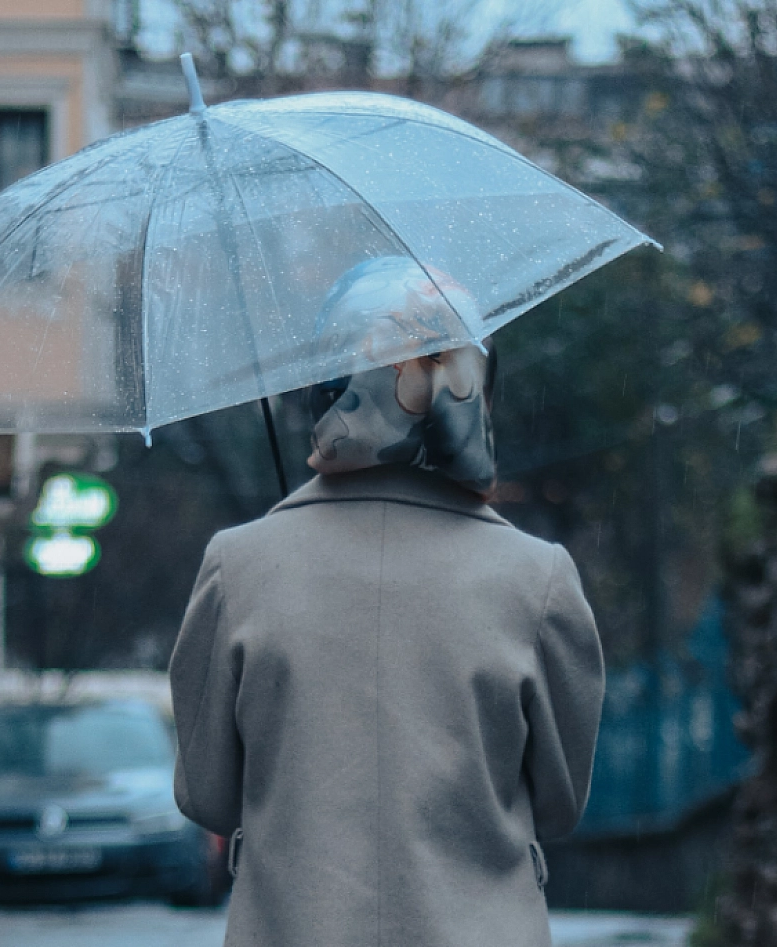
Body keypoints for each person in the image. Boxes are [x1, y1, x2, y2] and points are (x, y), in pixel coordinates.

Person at [168, 257, 604, 947]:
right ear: (472, 385)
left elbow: (209, 796)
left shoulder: (239, 565)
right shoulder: (537, 577)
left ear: (326, 388)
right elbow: (558, 804)